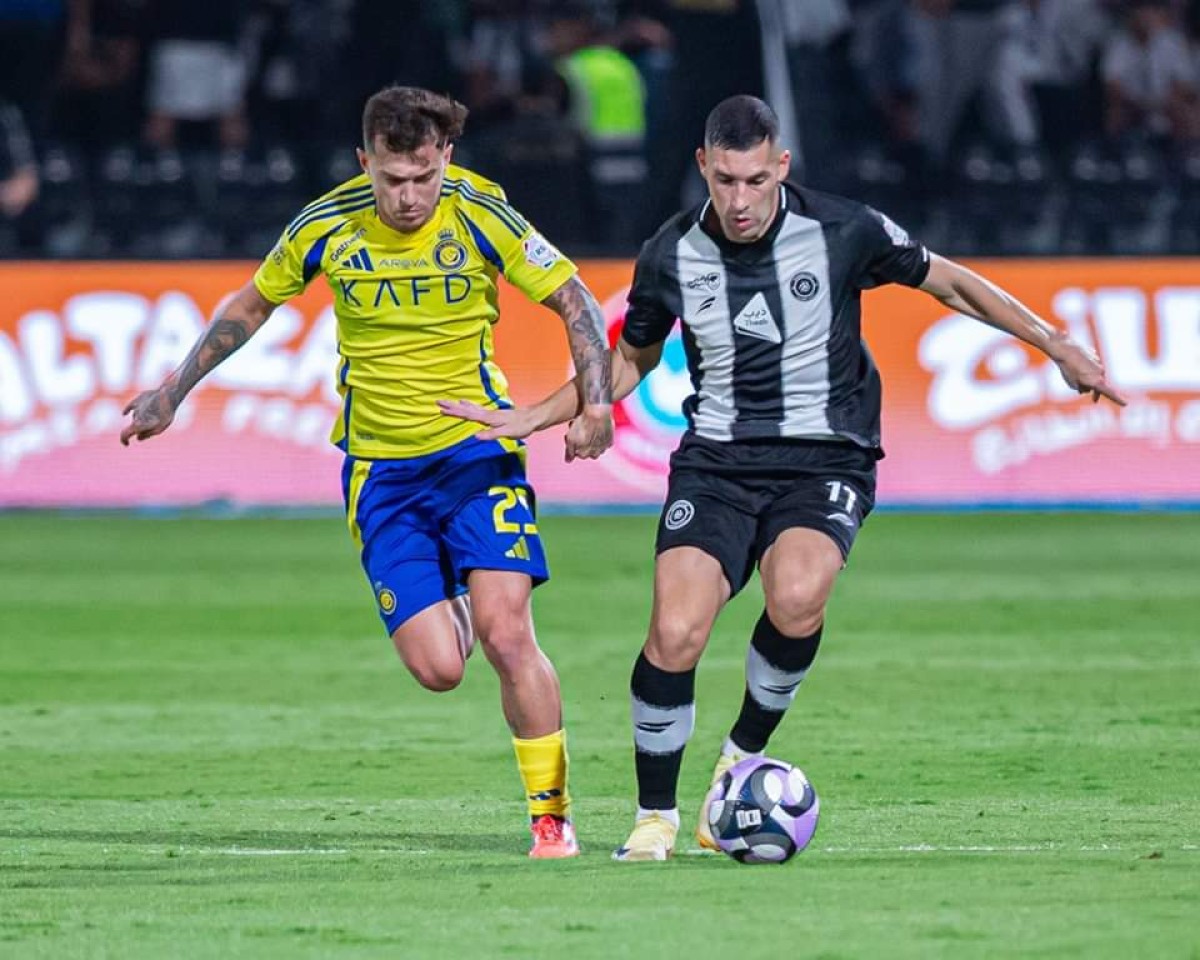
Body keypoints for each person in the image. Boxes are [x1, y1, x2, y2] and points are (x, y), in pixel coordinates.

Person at [439, 94, 1125, 861]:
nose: (738, 200)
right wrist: (551, 412)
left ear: (782, 168)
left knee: (796, 597)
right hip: (718, 462)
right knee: (675, 629)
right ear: (703, 166)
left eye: (755, 181)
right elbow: (631, 355)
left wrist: (1054, 341)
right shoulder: (669, 253)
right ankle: (655, 816)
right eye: (725, 180)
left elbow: (950, 283)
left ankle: (737, 759)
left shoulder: (844, 229)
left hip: (826, 457)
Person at [119, 85, 614, 859]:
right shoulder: (327, 224)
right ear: (365, 163)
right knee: (441, 670)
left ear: (444, 157)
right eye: (392, 179)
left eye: (424, 176)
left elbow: (575, 298)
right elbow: (251, 306)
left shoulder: (483, 212)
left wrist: (594, 404)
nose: (411, 197)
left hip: (477, 456)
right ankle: (453, 580)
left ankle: (551, 818)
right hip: (382, 475)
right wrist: (171, 392)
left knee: (507, 633)